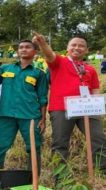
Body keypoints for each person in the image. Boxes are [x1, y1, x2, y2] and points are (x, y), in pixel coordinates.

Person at [33, 33, 106, 174]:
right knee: (60, 143)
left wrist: (97, 107)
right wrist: (42, 43)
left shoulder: (90, 69)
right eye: (74, 45)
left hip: (87, 109)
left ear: (86, 50)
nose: (77, 48)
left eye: (81, 46)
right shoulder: (59, 61)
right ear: (67, 48)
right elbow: (49, 54)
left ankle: (101, 172)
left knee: (98, 139)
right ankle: (61, 177)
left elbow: (95, 89)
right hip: (62, 108)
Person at [0, 40, 48, 182]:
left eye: (27, 47)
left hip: (30, 117)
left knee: (34, 148)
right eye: (21, 47)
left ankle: (33, 181)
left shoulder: (39, 73)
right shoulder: (6, 68)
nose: (24, 49)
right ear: (18, 51)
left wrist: (43, 119)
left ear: (34, 52)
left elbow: (43, 98)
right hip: (6, 115)